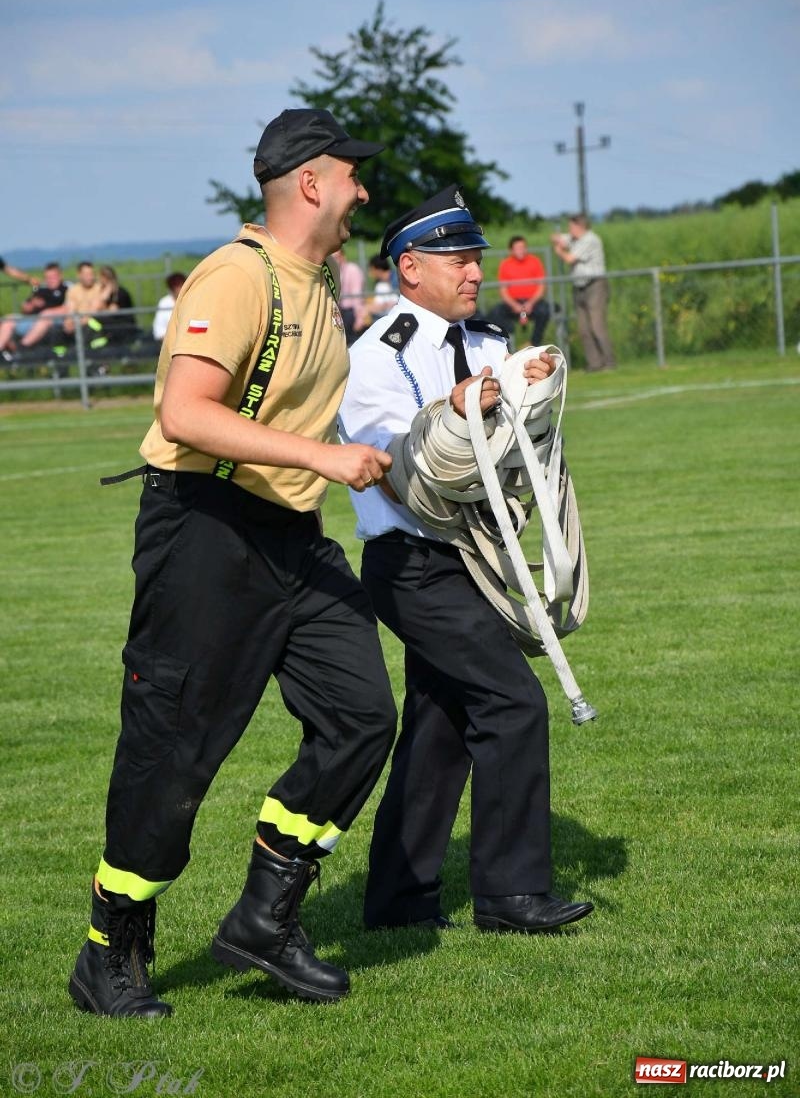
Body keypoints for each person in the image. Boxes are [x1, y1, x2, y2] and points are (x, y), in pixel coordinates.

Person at [68, 107, 398, 1019]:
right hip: (205, 529)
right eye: (352, 175)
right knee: (175, 752)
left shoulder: (319, 280)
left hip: (290, 537)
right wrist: (326, 460)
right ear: (309, 183)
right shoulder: (238, 275)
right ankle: (111, 950)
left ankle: (264, 918)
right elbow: (186, 412)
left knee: (362, 716)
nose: (361, 191)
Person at [338, 185, 594, 934]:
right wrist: (458, 409)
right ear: (408, 267)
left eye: (477, 257)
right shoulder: (373, 355)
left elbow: (522, 449)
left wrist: (532, 389)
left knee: (441, 725)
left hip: (479, 554)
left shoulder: (490, 344)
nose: (475, 271)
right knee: (512, 705)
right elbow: (393, 457)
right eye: (458, 259)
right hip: (413, 564)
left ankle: (398, 898)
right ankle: (511, 895)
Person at [551, 215, 615, 371]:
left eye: (571, 227)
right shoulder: (575, 239)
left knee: (597, 326)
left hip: (595, 285)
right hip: (579, 286)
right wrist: (558, 238)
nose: (569, 230)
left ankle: (609, 362)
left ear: (580, 227)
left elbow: (570, 258)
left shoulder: (590, 240)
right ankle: (594, 363)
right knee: (584, 328)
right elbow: (561, 238)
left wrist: (559, 250)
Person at [20, 260, 106, 350]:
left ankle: (22, 348)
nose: (90, 277)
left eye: (91, 274)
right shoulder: (74, 291)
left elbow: (93, 311)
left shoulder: (99, 289)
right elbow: (71, 309)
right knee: (58, 330)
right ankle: (60, 359)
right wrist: (69, 323)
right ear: (79, 275)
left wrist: (76, 324)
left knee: (88, 326)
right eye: (86, 274)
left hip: (91, 324)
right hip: (76, 322)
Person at [490, 235, 549, 346]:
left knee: (544, 310)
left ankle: (534, 343)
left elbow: (541, 287)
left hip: (533, 302)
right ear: (511, 250)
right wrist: (514, 305)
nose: (521, 251)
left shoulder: (534, 261)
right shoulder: (505, 264)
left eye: (523, 247)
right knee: (495, 313)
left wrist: (531, 303)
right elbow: (503, 290)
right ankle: (506, 344)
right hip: (513, 303)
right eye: (518, 248)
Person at [0, 262, 67, 355]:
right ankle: (3, 351)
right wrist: (31, 305)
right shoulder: (40, 289)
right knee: (8, 320)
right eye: (47, 277)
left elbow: (69, 307)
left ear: (60, 276)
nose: (50, 280)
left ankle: (21, 349)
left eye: (53, 277)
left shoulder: (66, 289)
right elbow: (25, 308)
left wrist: (48, 312)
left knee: (45, 317)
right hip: (31, 319)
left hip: (50, 321)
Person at [97, 265, 139, 345]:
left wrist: (105, 296)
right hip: (111, 326)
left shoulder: (121, 293)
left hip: (123, 325)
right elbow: (98, 309)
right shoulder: (101, 292)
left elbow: (114, 311)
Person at [332, 249, 366, 344]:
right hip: (341, 311)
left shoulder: (352, 270)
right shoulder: (337, 271)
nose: (334, 260)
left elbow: (357, 295)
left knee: (353, 342)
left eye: (337, 257)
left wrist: (359, 318)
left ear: (343, 257)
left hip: (351, 312)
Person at [152, 272, 187, 342]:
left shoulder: (192, 300)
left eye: (181, 285)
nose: (180, 288)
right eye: (176, 286)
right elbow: (159, 329)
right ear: (171, 288)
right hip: (169, 343)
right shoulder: (164, 303)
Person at [364, 254, 398, 322]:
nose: (370, 274)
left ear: (378, 269)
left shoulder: (397, 280)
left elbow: (396, 302)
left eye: (371, 270)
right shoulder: (380, 283)